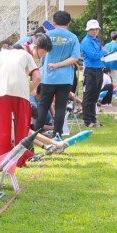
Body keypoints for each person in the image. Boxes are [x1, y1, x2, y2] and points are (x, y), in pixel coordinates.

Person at [0, 34, 49, 168]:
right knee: (22, 127)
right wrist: (28, 90)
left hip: (2, 93)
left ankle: (2, 160)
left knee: (3, 127)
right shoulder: (26, 55)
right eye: (41, 54)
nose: (40, 57)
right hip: (20, 92)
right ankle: (19, 161)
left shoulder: (0, 55)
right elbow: (37, 77)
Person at [37, 11, 81, 140]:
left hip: (48, 77)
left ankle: (36, 134)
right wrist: (60, 64)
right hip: (65, 78)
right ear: (69, 22)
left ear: (54, 22)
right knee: (60, 106)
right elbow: (75, 58)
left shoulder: (47, 35)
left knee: (43, 105)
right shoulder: (72, 37)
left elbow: (38, 53)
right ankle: (58, 134)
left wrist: (54, 65)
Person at [79, 21, 107, 128]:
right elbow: (93, 55)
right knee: (88, 96)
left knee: (95, 96)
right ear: (88, 30)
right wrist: (104, 52)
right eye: (92, 29)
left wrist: (103, 53)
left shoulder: (96, 41)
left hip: (98, 69)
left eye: (96, 29)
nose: (95, 31)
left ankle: (93, 119)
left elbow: (99, 54)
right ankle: (87, 120)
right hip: (90, 70)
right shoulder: (86, 41)